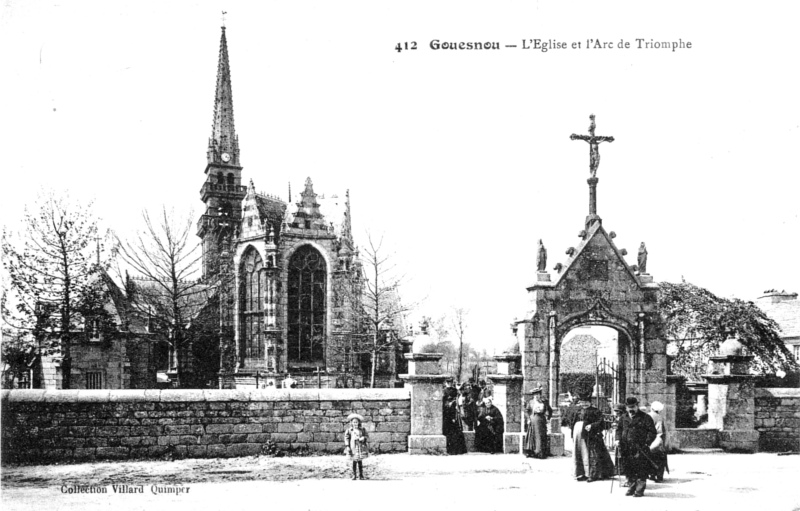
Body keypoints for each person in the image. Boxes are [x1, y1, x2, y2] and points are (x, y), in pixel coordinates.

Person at [616, 396, 657, 497]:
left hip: (640, 448)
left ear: (637, 406)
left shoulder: (645, 417)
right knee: (628, 468)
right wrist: (617, 439)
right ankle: (632, 486)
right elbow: (619, 429)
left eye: (633, 407)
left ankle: (639, 490)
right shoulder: (623, 417)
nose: (631, 409)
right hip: (626, 447)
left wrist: (647, 443)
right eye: (629, 407)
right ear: (626, 407)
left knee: (640, 469)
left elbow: (652, 432)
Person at [580, 399, 615, 481]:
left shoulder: (596, 411)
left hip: (594, 435)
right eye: (582, 402)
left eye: (586, 402)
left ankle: (594, 474)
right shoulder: (579, 411)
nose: (584, 404)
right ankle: (585, 473)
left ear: (590, 402)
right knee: (585, 454)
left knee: (594, 454)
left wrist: (592, 426)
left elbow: (601, 422)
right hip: (583, 435)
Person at [523, 387, 550, 459]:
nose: (537, 396)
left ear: (540, 395)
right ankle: (531, 452)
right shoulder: (531, 402)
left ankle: (540, 453)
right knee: (532, 436)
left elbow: (547, 410)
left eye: (538, 394)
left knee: (540, 436)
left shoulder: (544, 402)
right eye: (535, 395)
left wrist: (547, 417)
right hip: (533, 420)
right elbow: (526, 411)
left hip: (541, 420)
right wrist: (528, 419)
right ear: (533, 395)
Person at [647, 401, 669, 482]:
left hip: (649, 440)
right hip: (658, 441)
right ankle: (659, 476)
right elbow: (664, 431)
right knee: (660, 459)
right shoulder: (661, 418)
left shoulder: (647, 416)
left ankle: (652, 475)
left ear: (652, 408)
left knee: (650, 458)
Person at [344, 413, 370, 480]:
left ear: (358, 423)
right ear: (351, 423)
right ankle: (354, 475)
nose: (355, 423)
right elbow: (347, 438)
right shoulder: (350, 430)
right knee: (354, 461)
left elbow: (367, 436)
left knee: (360, 461)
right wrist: (347, 446)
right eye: (354, 422)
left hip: (360, 447)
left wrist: (363, 438)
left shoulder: (362, 430)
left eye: (356, 422)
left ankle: (361, 475)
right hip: (353, 447)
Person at [443, 386, 467, 455]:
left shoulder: (450, 402)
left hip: (450, 420)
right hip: (450, 420)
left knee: (453, 434)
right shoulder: (450, 402)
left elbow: (453, 411)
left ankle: (453, 450)